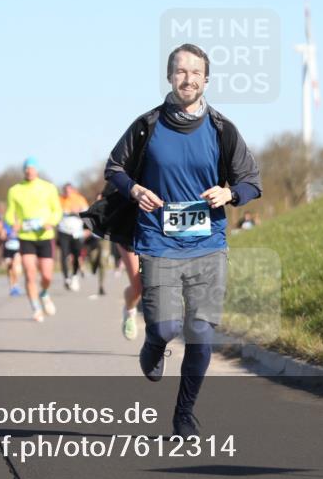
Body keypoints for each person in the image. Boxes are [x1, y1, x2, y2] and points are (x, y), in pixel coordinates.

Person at [89, 44, 262, 437]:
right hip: (158, 240)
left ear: (206, 79)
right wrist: (134, 190)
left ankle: (184, 414)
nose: (188, 79)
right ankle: (154, 342)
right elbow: (114, 168)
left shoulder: (222, 129)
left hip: (208, 243)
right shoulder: (147, 125)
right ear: (170, 77)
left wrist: (229, 193)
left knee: (201, 332)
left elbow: (252, 182)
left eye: (195, 72)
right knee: (167, 327)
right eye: (181, 71)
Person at [5, 157, 62, 322]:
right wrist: (13, 223)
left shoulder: (49, 188)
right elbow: (9, 213)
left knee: (47, 276)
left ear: (37, 170)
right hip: (26, 237)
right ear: (23, 171)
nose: (29, 171)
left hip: (45, 236)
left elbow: (57, 210)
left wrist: (51, 222)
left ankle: (44, 293)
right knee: (30, 275)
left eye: (32, 168)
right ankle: (36, 308)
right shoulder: (15, 190)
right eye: (26, 168)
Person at [58, 183, 89, 291]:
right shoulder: (60, 199)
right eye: (65, 191)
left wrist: (86, 229)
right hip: (63, 231)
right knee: (64, 254)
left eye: (69, 191)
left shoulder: (80, 199)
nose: (67, 193)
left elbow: (87, 213)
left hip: (76, 232)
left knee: (76, 255)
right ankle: (66, 278)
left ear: (73, 190)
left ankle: (75, 276)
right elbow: (56, 213)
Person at [0, 200, 23, 296]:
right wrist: (4, 235)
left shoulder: (20, 223)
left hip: (17, 248)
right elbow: (2, 236)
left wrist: (17, 232)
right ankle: (12, 286)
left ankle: (16, 285)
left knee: (14, 266)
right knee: (9, 267)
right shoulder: (6, 223)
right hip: (7, 248)